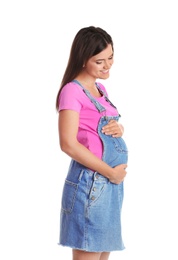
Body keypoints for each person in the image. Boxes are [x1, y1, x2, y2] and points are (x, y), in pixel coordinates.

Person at [56, 26, 128, 260]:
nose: (107, 65)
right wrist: (110, 173)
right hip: (92, 183)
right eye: (100, 61)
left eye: (110, 57)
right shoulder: (71, 91)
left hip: (110, 186)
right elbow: (68, 144)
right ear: (83, 59)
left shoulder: (101, 89)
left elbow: (98, 130)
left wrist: (120, 128)